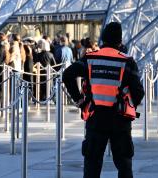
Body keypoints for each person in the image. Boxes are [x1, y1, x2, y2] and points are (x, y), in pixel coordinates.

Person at [62, 22, 144, 178]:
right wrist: (127, 103)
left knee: (92, 164)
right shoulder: (127, 61)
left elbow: (67, 75)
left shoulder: (90, 58)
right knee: (124, 165)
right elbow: (139, 93)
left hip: (95, 117)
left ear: (103, 38)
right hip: (120, 119)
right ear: (120, 41)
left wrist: (80, 100)